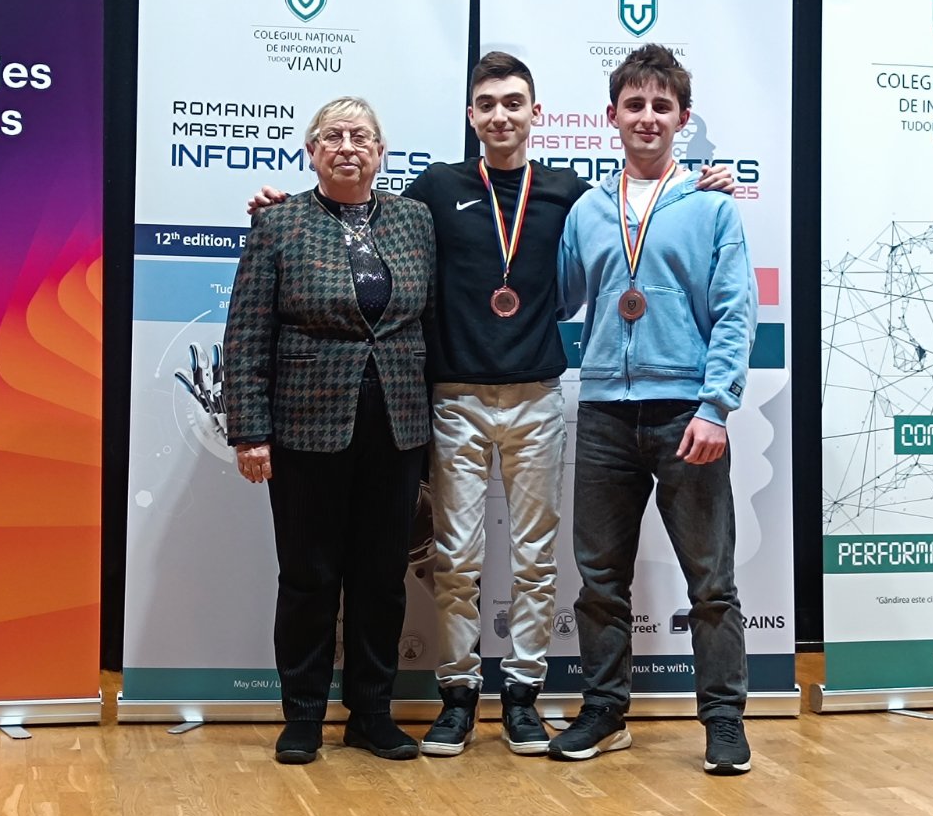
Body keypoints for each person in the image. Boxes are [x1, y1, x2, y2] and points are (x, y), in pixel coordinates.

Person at [246, 55, 734, 758]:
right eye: (487, 103)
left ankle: (524, 697)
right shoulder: (434, 191)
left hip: (537, 395)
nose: (501, 114)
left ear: (536, 112)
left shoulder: (573, 195)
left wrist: (705, 184)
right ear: (471, 115)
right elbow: (353, 211)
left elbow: (635, 216)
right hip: (453, 399)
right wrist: (278, 206)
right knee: (454, 560)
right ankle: (457, 697)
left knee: (536, 560)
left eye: (513, 102)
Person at [551, 44, 757, 776]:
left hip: (685, 415)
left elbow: (735, 314)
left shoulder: (712, 207)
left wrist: (717, 406)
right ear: (611, 116)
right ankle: (605, 713)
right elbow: (560, 296)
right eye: (633, 105)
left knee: (711, 581)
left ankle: (724, 721)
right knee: (599, 580)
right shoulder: (586, 210)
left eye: (660, 106)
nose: (647, 117)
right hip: (605, 412)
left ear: (682, 119)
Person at [223, 96, 436, 765]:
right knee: (308, 577)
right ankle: (304, 715)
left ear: (381, 152)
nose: (348, 146)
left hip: (398, 429)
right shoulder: (278, 223)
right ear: (312, 151)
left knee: (382, 578)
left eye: (361, 136)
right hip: (304, 430)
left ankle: (371, 715)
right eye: (334, 136)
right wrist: (249, 432)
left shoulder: (416, 220)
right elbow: (246, 333)